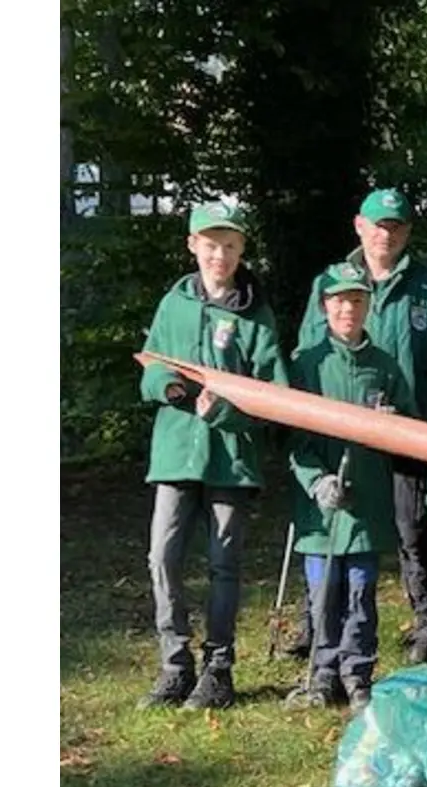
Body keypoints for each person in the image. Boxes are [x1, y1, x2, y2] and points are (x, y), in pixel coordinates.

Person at [294, 188, 427, 664]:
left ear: (407, 231)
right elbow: (308, 353)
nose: (385, 234)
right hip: (342, 434)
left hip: (410, 428)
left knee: (414, 528)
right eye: (377, 225)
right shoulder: (330, 284)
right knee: (333, 519)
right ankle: (316, 622)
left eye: (395, 226)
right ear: (359, 226)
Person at [136, 200, 289, 710]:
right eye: (210, 245)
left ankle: (218, 669)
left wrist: (227, 413)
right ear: (192, 245)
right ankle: (174, 664)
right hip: (175, 454)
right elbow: (151, 366)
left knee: (225, 563)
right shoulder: (174, 303)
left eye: (229, 245)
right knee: (162, 557)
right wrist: (169, 389)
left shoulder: (256, 314)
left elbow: (273, 396)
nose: (219, 255)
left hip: (230, 460)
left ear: (242, 250)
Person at [285, 262, 415, 713]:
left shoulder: (384, 365)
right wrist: (316, 481)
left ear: (368, 306)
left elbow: (410, 426)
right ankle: (323, 673)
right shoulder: (306, 363)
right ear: (325, 306)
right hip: (319, 514)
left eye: (357, 300)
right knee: (323, 594)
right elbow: (292, 439)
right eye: (340, 300)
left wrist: (394, 425)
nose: (349, 309)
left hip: (367, 506)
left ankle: (357, 673)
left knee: (360, 592)